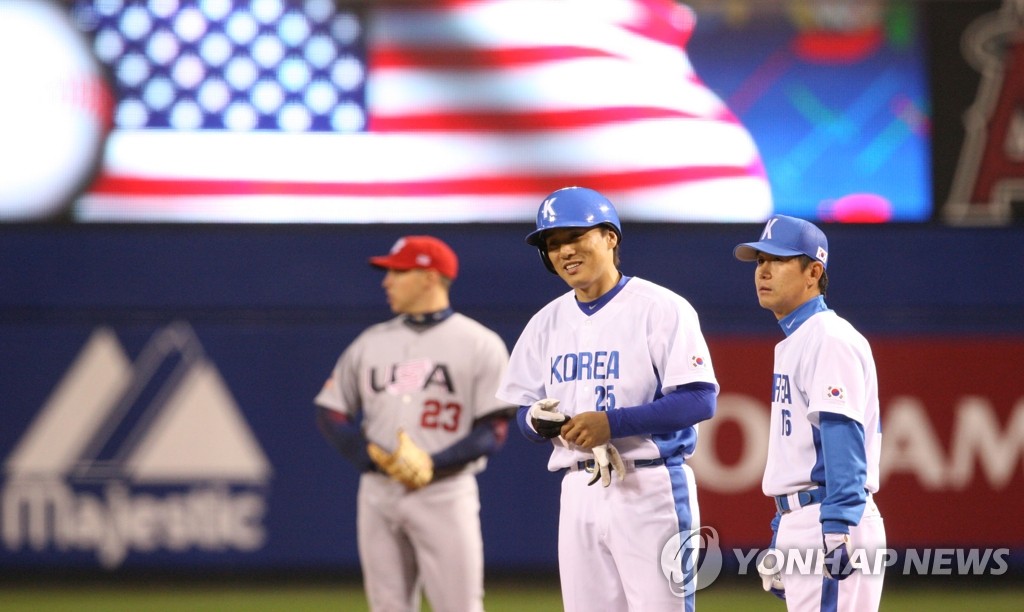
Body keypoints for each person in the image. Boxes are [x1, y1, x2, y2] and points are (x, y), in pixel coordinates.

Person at [496, 186, 719, 612]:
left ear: (610, 237)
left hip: (648, 484)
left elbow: (699, 400)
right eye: (553, 244)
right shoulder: (545, 322)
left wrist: (612, 423)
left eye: (575, 237)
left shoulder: (661, 307)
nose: (564, 252)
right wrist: (536, 423)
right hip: (578, 487)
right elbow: (522, 411)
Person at [314, 235, 514, 612]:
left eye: (397, 272)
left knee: (459, 606)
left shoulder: (479, 343)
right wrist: (371, 456)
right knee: (386, 606)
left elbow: (495, 429)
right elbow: (331, 410)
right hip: (378, 491)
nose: (386, 282)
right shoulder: (370, 343)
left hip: (444, 491)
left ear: (429, 277)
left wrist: (431, 463)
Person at [732, 215, 886, 611]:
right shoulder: (797, 340)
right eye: (759, 260)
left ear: (813, 272)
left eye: (778, 260)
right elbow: (799, 451)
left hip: (829, 520)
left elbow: (842, 438)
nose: (763, 270)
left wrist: (837, 527)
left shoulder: (828, 338)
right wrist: (782, 526)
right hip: (805, 519)